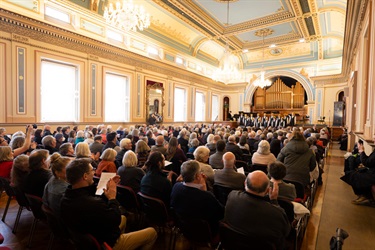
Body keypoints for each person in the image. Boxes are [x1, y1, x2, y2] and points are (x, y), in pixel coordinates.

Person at [61, 158, 157, 249]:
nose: (94, 171)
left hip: (90, 235)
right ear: (85, 176)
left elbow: (88, 195)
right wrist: (112, 198)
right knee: (152, 233)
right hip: (106, 243)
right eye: (92, 170)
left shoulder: (66, 197)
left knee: (124, 218)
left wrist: (106, 189)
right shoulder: (92, 204)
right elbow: (115, 219)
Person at [224, 171, 290, 248]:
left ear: (245, 183)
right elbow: (286, 232)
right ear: (268, 191)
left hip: (232, 245)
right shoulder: (276, 213)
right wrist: (274, 201)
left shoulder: (232, 195)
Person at [171, 160, 224, 235]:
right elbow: (221, 213)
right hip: (205, 234)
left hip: (183, 228)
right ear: (197, 176)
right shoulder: (207, 197)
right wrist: (206, 191)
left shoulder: (176, 187)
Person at [349, 136, 375, 205]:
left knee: (353, 176)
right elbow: (369, 160)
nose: (373, 140)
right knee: (357, 171)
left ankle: (365, 196)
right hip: (372, 171)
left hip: (373, 174)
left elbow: (367, 162)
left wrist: (362, 151)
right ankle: (363, 195)